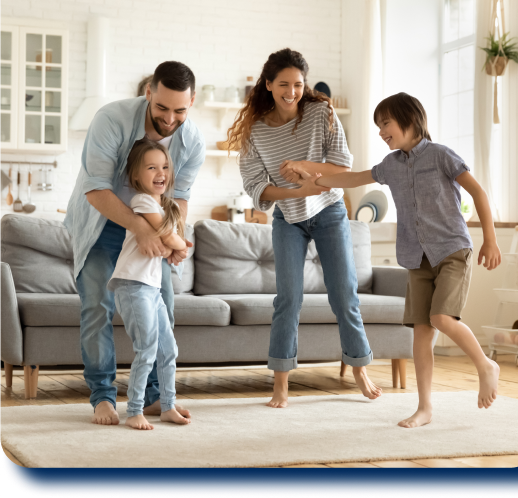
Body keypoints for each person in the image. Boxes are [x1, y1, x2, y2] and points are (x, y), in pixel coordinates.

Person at [293, 92, 501, 427]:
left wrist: (490, 240)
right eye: (378, 126)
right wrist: (316, 181)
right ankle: (425, 408)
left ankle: (485, 365)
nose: (381, 131)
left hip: (451, 250)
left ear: (410, 119)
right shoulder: (391, 165)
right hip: (417, 258)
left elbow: (478, 192)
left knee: (442, 318)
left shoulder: (441, 156)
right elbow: (354, 178)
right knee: (421, 333)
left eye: (385, 123)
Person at [226, 48, 381, 409]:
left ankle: (359, 368)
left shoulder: (321, 112)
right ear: (268, 85)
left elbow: (342, 164)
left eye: (298, 84)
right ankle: (280, 384)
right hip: (288, 218)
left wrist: (302, 167)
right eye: (283, 84)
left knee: (344, 294)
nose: (292, 92)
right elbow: (256, 187)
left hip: (329, 212)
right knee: (288, 300)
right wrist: (298, 189)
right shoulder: (255, 131)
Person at [64, 61, 205, 425]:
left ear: (192, 102)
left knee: (164, 311)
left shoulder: (192, 141)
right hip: (102, 222)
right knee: (98, 307)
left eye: (180, 110)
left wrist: (171, 236)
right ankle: (103, 397)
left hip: (154, 226)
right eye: (161, 108)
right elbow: (96, 188)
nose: (170, 118)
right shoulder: (111, 119)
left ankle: (157, 397)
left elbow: (181, 198)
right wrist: (142, 229)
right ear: (148, 94)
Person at [108, 139, 190, 430]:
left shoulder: (162, 205)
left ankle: (167, 405)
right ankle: (134, 411)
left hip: (151, 288)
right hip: (132, 285)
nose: (160, 173)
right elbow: (171, 238)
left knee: (169, 350)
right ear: (136, 176)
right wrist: (179, 246)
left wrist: (176, 245)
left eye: (165, 166)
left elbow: (171, 241)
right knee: (147, 349)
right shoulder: (141, 200)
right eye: (152, 167)